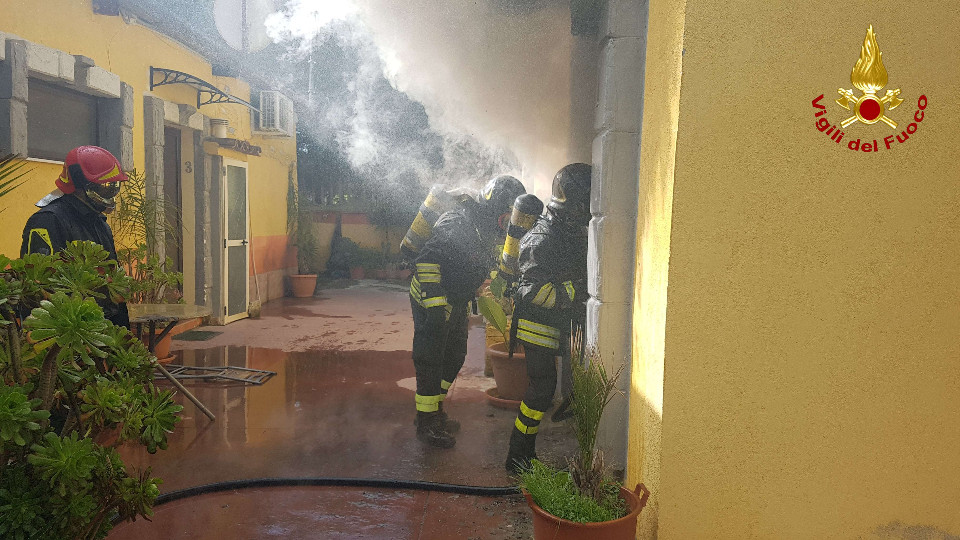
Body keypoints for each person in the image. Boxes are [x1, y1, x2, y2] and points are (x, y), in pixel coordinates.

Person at [410, 174, 526, 448]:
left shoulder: (484, 230)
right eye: (505, 218)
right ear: (494, 209)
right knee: (431, 358)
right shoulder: (458, 224)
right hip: (432, 298)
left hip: (455, 299)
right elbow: (426, 260)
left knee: (453, 356)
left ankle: (435, 411)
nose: (506, 226)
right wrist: (435, 309)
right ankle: (426, 422)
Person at [504, 163, 591, 473]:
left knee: (543, 390)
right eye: (582, 208)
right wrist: (578, 289)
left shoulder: (560, 229)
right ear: (574, 205)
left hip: (546, 323)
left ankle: (521, 453)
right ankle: (518, 456)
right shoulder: (543, 237)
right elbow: (534, 292)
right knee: (541, 389)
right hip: (535, 325)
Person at [20, 145, 130, 328]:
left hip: (102, 326)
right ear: (80, 185)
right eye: (105, 187)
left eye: (114, 187)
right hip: (68, 330)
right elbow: (41, 287)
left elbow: (113, 280)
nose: (110, 194)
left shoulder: (99, 222)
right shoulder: (47, 221)